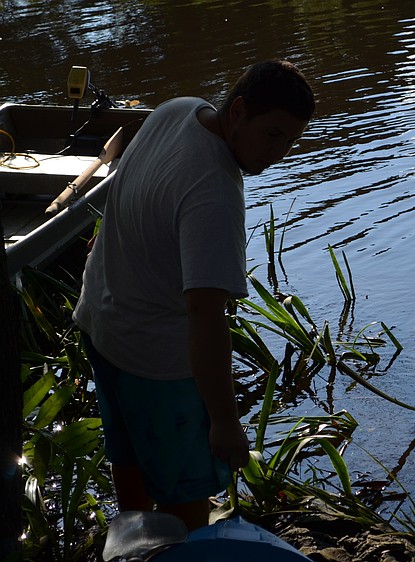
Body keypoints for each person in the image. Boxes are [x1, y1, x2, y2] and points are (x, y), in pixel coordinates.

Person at [73, 60, 315, 530]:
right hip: (154, 362)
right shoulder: (216, 193)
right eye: (273, 135)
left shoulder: (178, 110)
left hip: (101, 324)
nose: (280, 153)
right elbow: (205, 314)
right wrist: (225, 422)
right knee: (187, 502)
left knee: (129, 458)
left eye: (290, 141)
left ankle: (133, 542)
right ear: (239, 110)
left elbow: (128, 189)